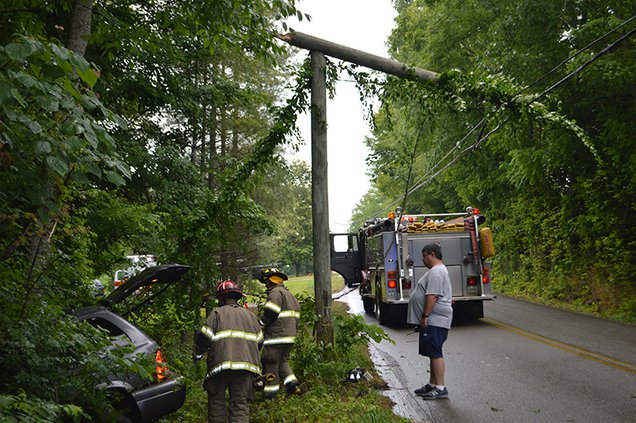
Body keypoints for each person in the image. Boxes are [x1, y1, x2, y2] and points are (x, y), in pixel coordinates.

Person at [195, 280, 263, 422]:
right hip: (245, 368)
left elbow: (204, 339)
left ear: (221, 298)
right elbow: (260, 342)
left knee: (216, 403)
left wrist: (197, 355)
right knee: (240, 405)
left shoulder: (216, 314)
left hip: (220, 367)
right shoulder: (250, 316)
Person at [406, 243, 453, 400]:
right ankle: (432, 384)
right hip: (434, 318)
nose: (422, 259)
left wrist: (425, 315)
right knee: (432, 352)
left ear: (432, 254)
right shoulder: (437, 271)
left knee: (435, 352)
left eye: (424, 255)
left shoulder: (436, 272)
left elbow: (432, 295)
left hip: (435, 318)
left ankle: (440, 387)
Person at [258, 268, 301, 398]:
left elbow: (271, 313)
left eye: (266, 282)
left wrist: (260, 322)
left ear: (270, 281)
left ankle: (270, 395)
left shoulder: (275, 293)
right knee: (283, 362)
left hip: (276, 337)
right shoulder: (290, 295)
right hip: (290, 336)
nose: (266, 286)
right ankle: (293, 386)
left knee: (270, 362)